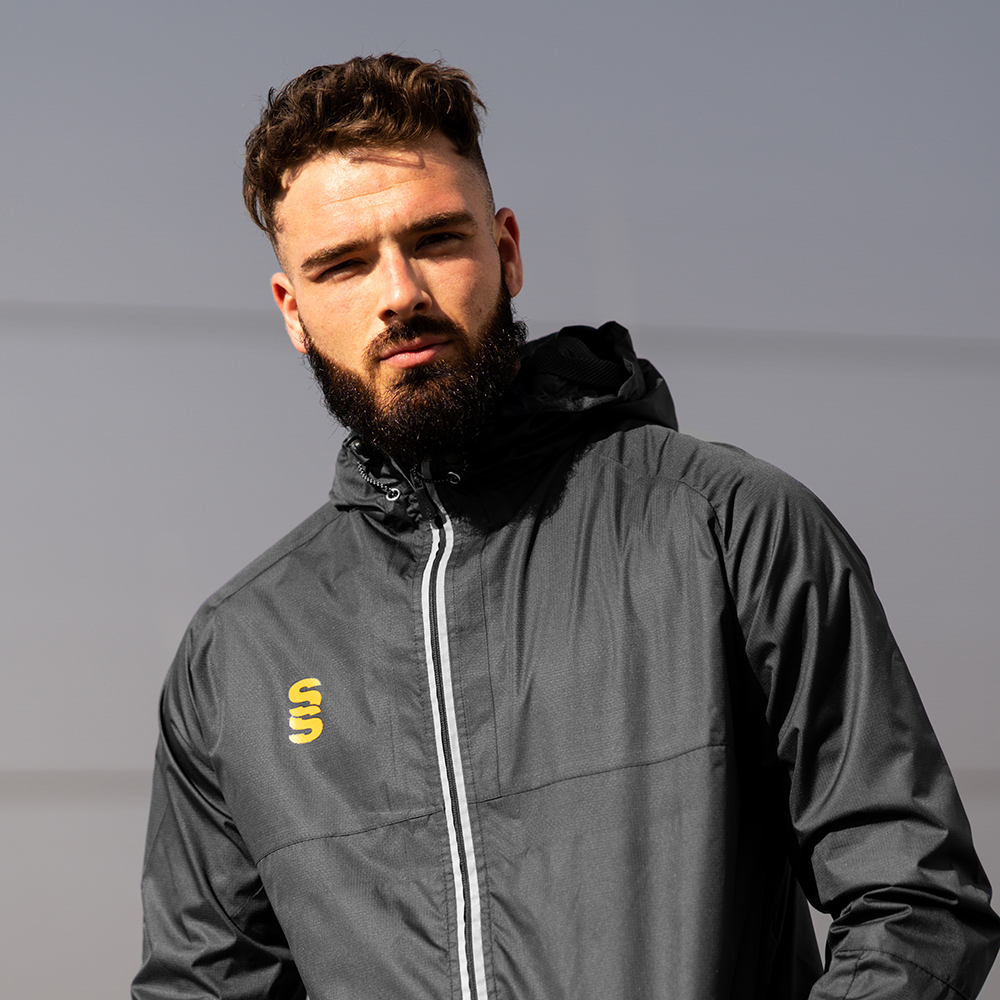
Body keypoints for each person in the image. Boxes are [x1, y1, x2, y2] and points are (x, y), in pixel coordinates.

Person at [132, 54, 999, 999]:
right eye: (343, 264)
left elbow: (915, 904)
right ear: (292, 311)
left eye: (436, 239)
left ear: (506, 250)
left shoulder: (729, 528)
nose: (400, 294)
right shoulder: (237, 655)